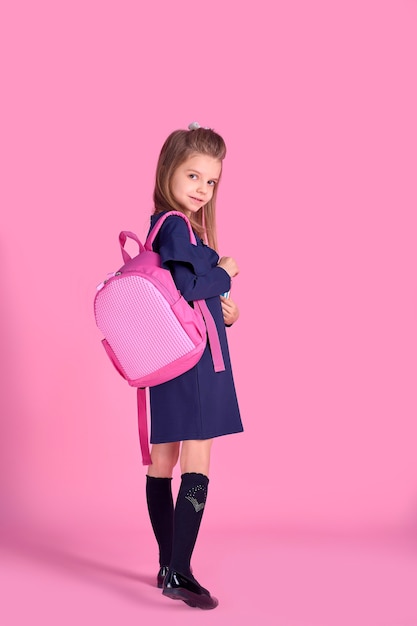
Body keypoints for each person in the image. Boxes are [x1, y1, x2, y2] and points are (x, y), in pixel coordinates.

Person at [145, 122, 243, 610]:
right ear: (169, 173)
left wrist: (229, 308)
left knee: (161, 462)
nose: (202, 190)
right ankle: (180, 571)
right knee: (196, 461)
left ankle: (167, 564)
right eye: (193, 177)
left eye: (211, 182)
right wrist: (224, 271)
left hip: (164, 359)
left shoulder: (161, 226)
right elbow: (188, 290)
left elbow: (189, 294)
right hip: (194, 364)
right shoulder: (178, 226)